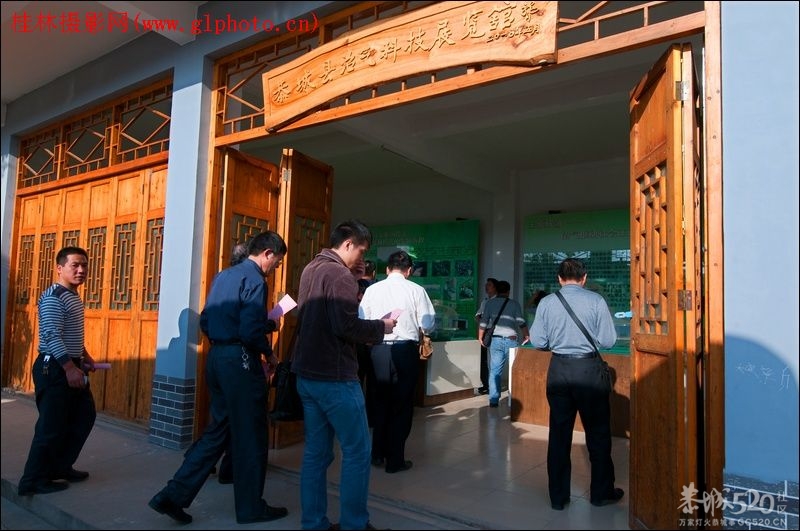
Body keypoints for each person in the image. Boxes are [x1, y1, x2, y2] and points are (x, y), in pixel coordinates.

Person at [149, 231, 288, 525]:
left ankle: (172, 495)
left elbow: (207, 320)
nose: (274, 268)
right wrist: (270, 352)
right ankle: (251, 507)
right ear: (267, 253)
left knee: (218, 433)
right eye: (276, 262)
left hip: (217, 359)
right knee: (251, 435)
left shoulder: (223, 277)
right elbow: (251, 330)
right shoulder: (254, 280)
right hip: (240, 362)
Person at [292, 219, 396, 531]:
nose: (361, 259)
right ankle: (354, 523)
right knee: (357, 453)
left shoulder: (312, 268)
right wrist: (382, 327)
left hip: (307, 375)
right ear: (348, 243)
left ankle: (313, 522)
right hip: (335, 378)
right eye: (361, 251)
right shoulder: (339, 274)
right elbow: (346, 326)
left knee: (316, 454)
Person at [529, 258, 622, 511]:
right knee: (598, 435)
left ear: (559, 278)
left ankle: (558, 498)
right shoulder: (596, 301)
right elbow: (608, 340)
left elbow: (538, 341)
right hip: (589, 370)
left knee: (559, 435)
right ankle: (601, 493)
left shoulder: (547, 302)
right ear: (584, 278)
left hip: (559, 369)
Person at [18, 247, 97, 496]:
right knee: (51, 426)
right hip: (54, 367)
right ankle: (31, 481)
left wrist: (84, 355)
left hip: (69, 362)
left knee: (83, 416)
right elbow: (52, 335)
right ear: (59, 268)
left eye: (84, 265)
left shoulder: (72, 295)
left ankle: (60, 467)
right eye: (75, 265)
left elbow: (68, 332)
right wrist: (69, 367)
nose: (81, 270)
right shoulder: (54, 296)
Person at [359, 250, 436, 474]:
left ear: (386, 269)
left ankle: (376, 454)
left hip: (378, 350)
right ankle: (395, 460)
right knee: (401, 405)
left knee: (379, 401)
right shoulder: (416, 290)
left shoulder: (372, 289)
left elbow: (362, 319)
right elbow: (428, 323)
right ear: (409, 271)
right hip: (405, 351)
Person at [477, 280, 529, 408]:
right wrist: (526, 335)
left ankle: (494, 400)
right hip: (511, 340)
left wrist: (480, 337)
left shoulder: (489, 303)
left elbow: (483, 321)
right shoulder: (514, 304)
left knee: (495, 371)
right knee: (514, 370)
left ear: (497, 290)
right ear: (508, 291)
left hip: (495, 340)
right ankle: (514, 398)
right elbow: (521, 321)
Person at [474, 277, 499, 395]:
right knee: (483, 359)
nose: (486, 287)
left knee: (493, 360)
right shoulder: (485, 301)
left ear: (495, 288)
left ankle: (493, 385)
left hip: (495, 331)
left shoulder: (499, 301)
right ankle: (485, 384)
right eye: (486, 285)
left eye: (489, 285)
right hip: (484, 331)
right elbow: (478, 315)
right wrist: (481, 319)